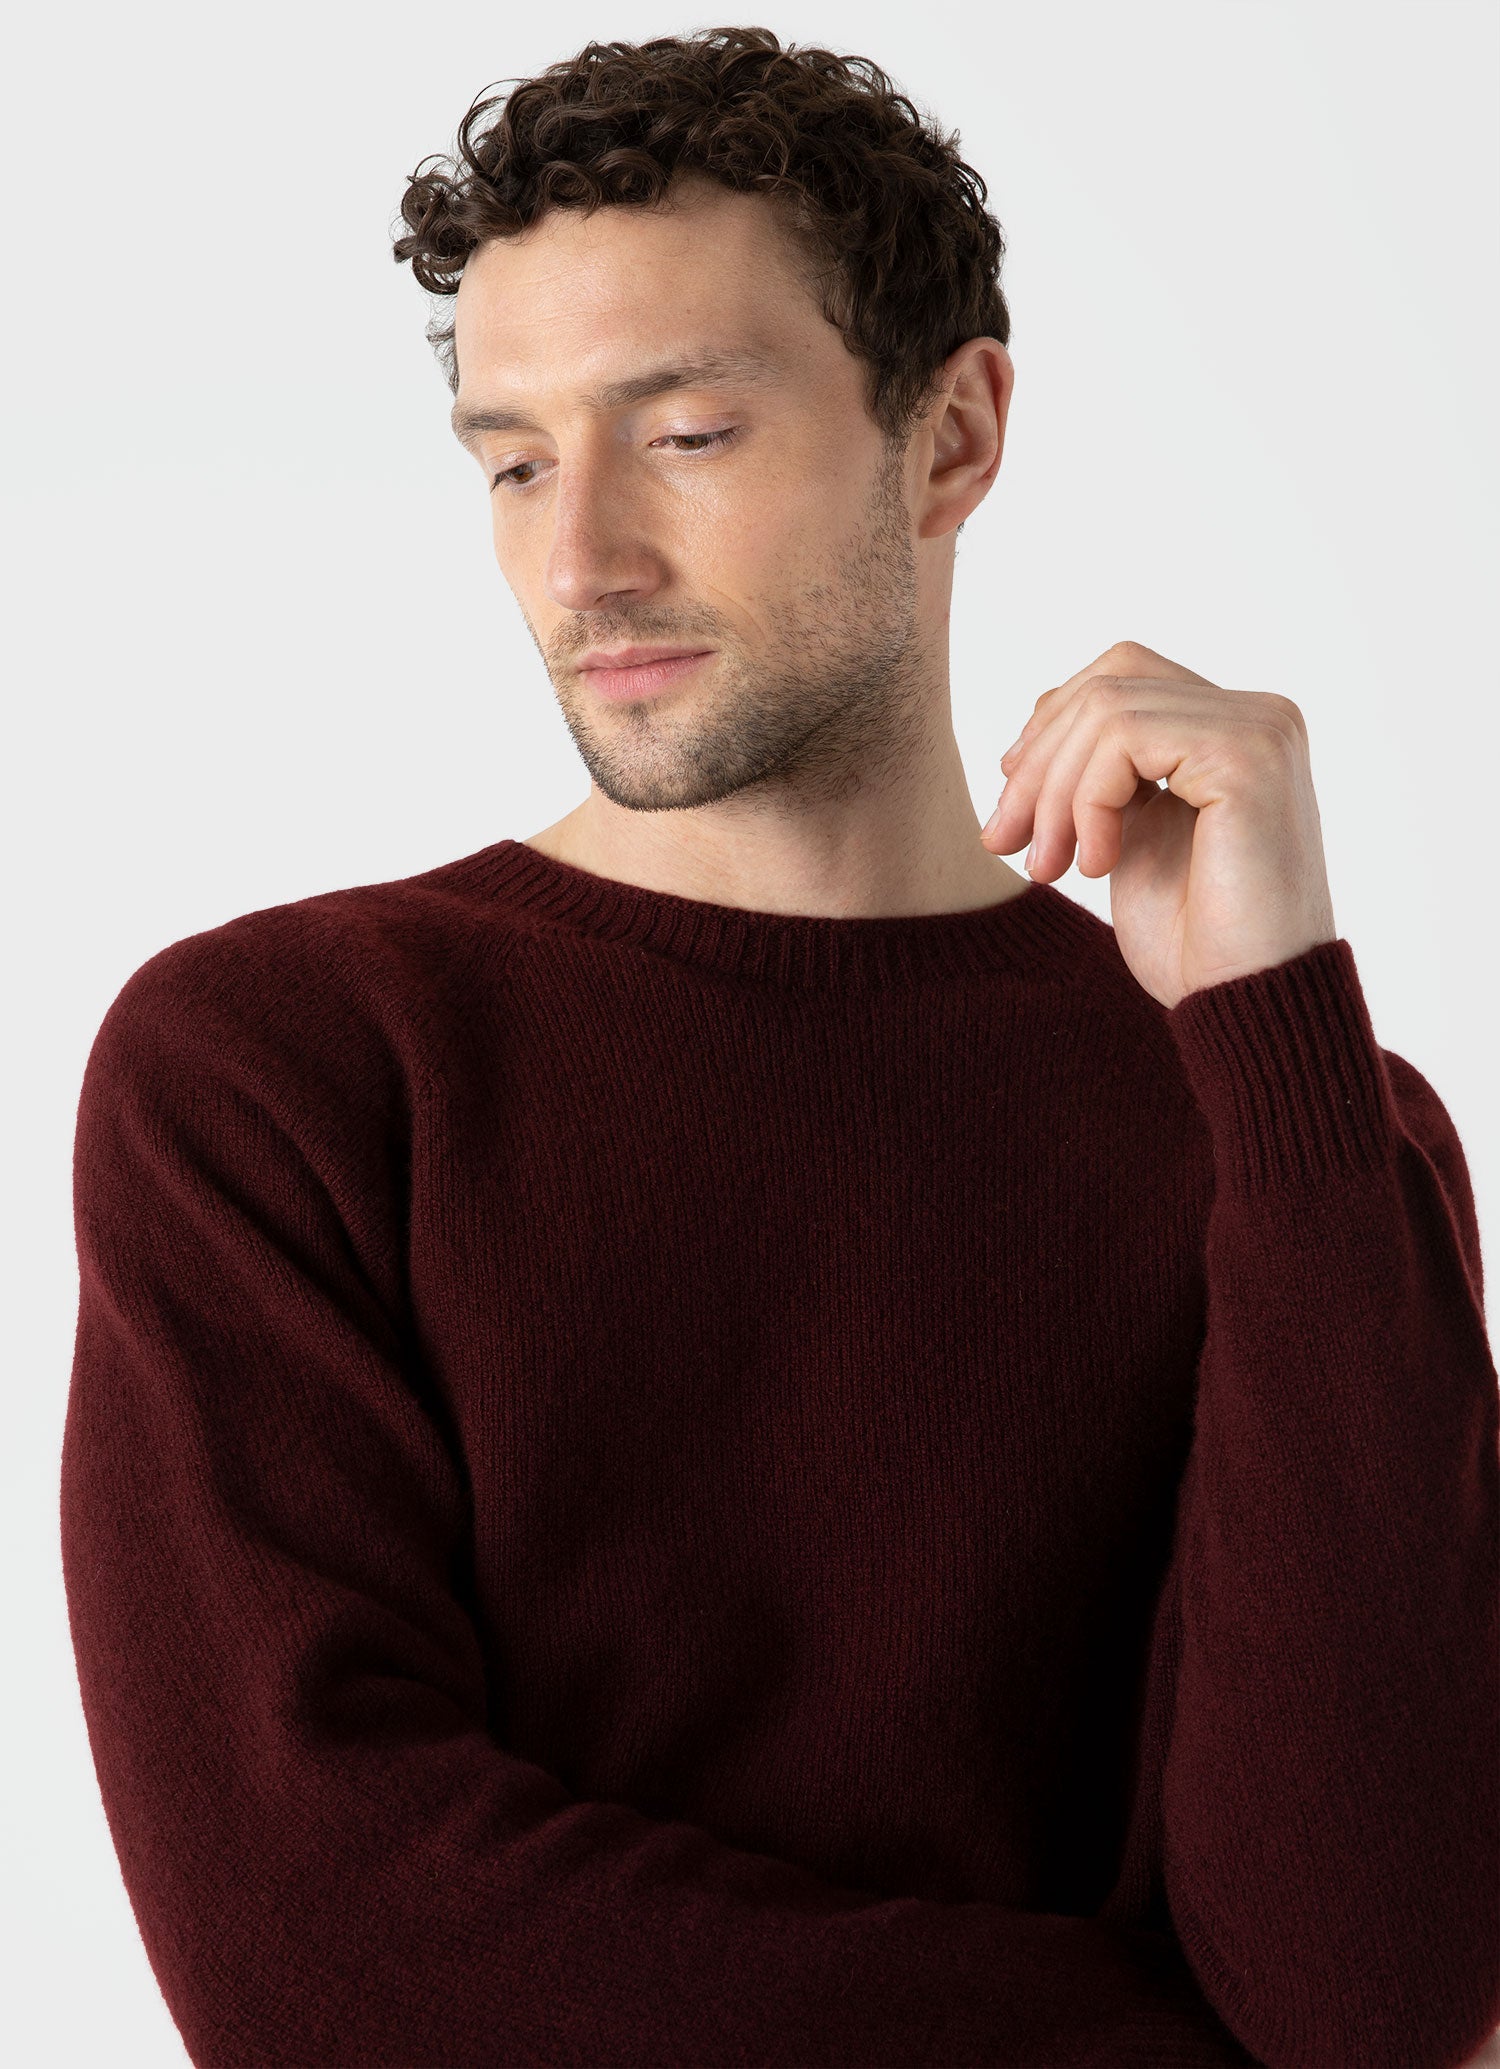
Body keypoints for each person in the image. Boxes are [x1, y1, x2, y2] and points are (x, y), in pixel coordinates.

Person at [60, 25, 1499, 2068]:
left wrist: (1278, 1054)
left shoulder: (1303, 1149)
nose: (582, 561)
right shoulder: (286, 1074)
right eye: (514, 462)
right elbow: (326, 1957)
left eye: (689, 432)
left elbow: (1376, 1999)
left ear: (952, 436)